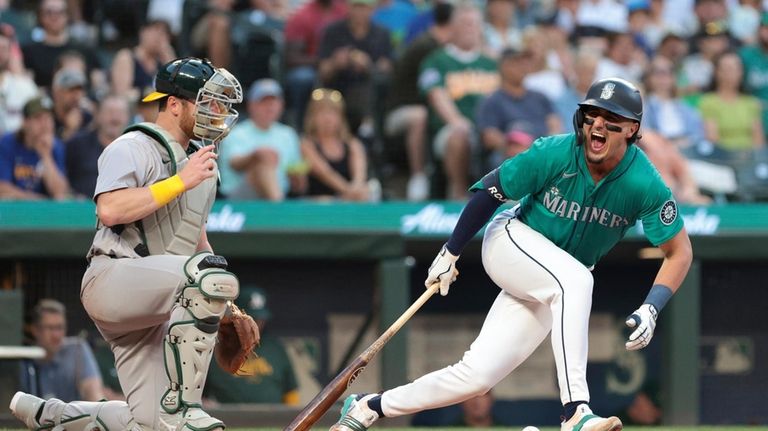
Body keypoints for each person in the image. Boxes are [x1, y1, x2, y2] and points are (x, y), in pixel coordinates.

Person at [330, 78, 693, 431]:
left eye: (610, 120)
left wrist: (651, 307)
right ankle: (575, 413)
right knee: (577, 281)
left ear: (631, 129)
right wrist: (450, 251)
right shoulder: (554, 151)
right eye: (591, 115)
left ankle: (369, 405)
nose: (597, 125)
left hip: (554, 277)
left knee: (476, 376)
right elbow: (491, 191)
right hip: (512, 240)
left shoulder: (643, 181)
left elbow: (679, 252)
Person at [9, 57, 250, 431]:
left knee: (149, 424)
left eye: (218, 104)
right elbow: (110, 208)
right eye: (207, 102)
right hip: (113, 278)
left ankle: (53, 416)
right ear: (173, 104)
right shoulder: (133, 145)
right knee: (207, 280)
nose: (216, 112)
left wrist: (226, 306)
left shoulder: (202, 165)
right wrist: (179, 182)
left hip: (157, 299)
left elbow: (196, 238)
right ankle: (185, 408)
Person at [418, 2, 498, 200]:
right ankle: (459, 194)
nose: (469, 28)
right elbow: (436, 94)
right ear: (452, 27)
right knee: (458, 135)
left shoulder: (492, 63)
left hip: (488, 129)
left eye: (473, 24)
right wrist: (457, 121)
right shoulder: (436, 60)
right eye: (464, 23)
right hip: (450, 131)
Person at [383, 2, 453, 201]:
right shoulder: (427, 46)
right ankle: (418, 176)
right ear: (450, 23)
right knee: (419, 116)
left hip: (427, 109)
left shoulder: (437, 44)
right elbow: (433, 90)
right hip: (400, 111)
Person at [205, 286, 300, 404]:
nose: (256, 324)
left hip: (272, 420)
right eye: (251, 319)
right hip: (228, 421)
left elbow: (291, 392)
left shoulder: (275, 348)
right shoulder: (219, 348)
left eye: (260, 319)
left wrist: (291, 418)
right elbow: (200, 395)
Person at [219, 78, 307, 201]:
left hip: (281, 193)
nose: (269, 107)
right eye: (263, 102)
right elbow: (234, 163)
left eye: (274, 102)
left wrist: (297, 179)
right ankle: (279, 212)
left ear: (281, 105)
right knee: (261, 167)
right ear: (251, 105)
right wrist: (257, 156)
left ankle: (277, 205)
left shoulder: (288, 134)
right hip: (239, 198)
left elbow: (297, 180)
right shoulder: (236, 133)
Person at [476, 47, 561, 170]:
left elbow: (555, 124)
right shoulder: (491, 101)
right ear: (503, 67)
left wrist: (545, 147)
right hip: (510, 155)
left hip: (542, 152)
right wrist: (518, 147)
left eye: (524, 62)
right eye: (516, 62)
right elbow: (489, 136)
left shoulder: (540, 97)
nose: (522, 66)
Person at [19, 299, 106, 402]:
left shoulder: (77, 349)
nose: (56, 335)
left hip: (74, 416)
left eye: (60, 328)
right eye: (50, 328)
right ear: (35, 330)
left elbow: (93, 392)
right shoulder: (22, 358)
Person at [301, 88, 370, 201]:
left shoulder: (352, 144)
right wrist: (348, 192)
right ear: (312, 117)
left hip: (350, 201)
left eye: (333, 113)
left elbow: (359, 176)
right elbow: (325, 173)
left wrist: (356, 189)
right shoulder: (306, 145)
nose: (327, 119)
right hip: (318, 205)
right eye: (321, 113)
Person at [0, 95, 69, 200]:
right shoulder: (8, 143)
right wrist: (37, 201)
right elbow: (3, 189)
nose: (45, 124)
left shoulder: (55, 146)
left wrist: (46, 156)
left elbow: (60, 193)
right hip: (13, 212)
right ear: (25, 122)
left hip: (43, 213)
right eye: (38, 118)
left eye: (48, 117)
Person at [65, 94, 131, 198]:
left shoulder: (135, 149)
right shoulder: (77, 144)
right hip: (80, 210)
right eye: (110, 112)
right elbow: (63, 178)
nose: (114, 118)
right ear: (98, 116)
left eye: (119, 113)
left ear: (127, 117)